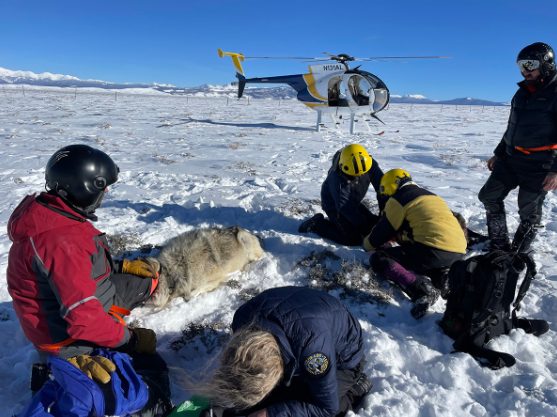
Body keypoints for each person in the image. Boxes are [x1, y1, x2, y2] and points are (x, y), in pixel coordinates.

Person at [6, 144, 170, 397]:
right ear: (83, 189)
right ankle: (61, 370)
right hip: (66, 338)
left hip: (82, 300)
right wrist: (131, 340)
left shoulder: (54, 215)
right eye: (102, 188)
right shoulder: (62, 243)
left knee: (148, 279)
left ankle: (113, 319)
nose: (105, 193)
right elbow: (82, 319)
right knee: (150, 374)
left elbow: (78, 269)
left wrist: (121, 266)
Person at [196, 286, 372, 417]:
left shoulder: (313, 354)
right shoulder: (242, 319)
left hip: (344, 359)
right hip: (305, 321)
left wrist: (270, 413)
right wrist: (220, 402)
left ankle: (356, 388)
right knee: (250, 396)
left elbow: (326, 408)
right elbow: (237, 369)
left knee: (300, 403)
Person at [478, 42, 557, 253]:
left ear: (546, 64)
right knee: (489, 196)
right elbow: (513, 127)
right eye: (521, 65)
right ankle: (499, 243)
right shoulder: (522, 92)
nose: (525, 71)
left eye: (530, 64)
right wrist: (499, 152)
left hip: (540, 163)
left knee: (529, 212)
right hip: (511, 158)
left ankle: (518, 253)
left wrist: (556, 171)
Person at [364, 169, 467, 319]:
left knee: (379, 258)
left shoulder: (399, 199)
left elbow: (379, 236)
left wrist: (366, 243)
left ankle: (421, 290)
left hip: (433, 250)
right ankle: (442, 278)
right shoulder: (431, 196)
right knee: (424, 256)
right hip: (458, 251)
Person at [298, 144, 384, 246]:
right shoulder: (337, 177)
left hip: (353, 201)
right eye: (356, 174)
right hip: (335, 206)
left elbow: (382, 187)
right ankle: (317, 225)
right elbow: (344, 206)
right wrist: (364, 226)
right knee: (353, 239)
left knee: (376, 225)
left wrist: (385, 212)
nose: (360, 175)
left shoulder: (367, 163)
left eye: (363, 172)